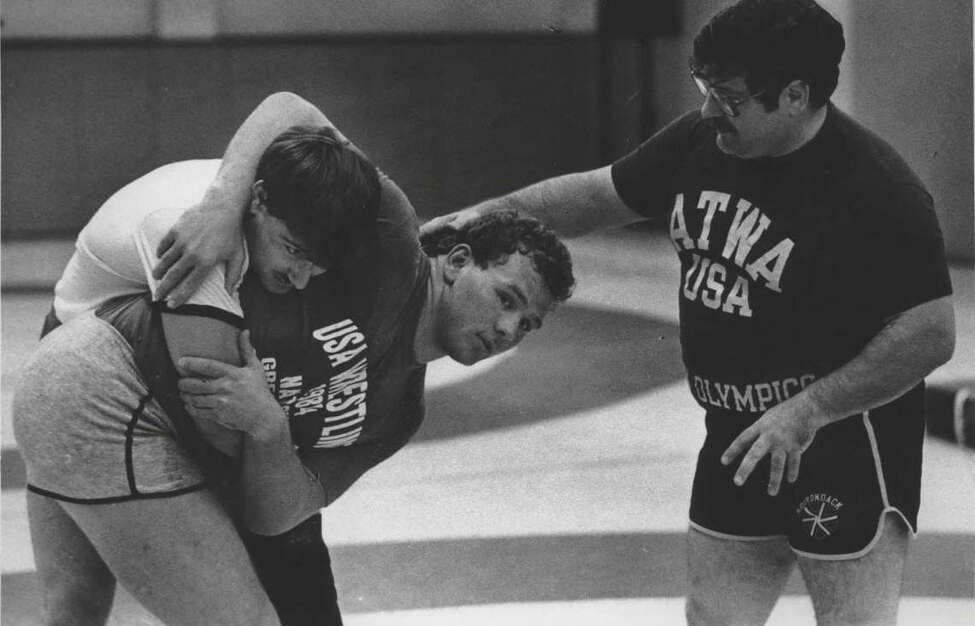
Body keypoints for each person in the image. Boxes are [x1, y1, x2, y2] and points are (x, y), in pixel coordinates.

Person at [414, 1, 952, 624]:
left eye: (728, 98)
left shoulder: (879, 190)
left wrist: (811, 409)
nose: (706, 112)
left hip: (841, 443)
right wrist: (483, 214)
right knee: (713, 618)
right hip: (733, 433)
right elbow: (597, 194)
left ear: (796, 95)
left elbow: (931, 334)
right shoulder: (703, 141)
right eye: (705, 90)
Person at [16, 98, 575, 624]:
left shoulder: (399, 414)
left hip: (101, 393)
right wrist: (224, 200)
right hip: (101, 380)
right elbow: (290, 110)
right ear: (456, 260)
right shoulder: (390, 241)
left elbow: (279, 518)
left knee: (76, 607)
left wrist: (269, 430)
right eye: (507, 299)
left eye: (527, 325)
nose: (508, 331)